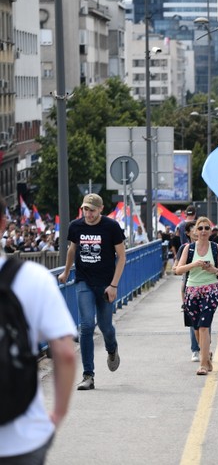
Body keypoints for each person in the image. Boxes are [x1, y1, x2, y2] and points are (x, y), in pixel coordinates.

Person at [0, 204, 77, 464]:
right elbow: (65, 353)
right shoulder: (33, 278)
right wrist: (57, 413)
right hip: (22, 438)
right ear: (3, 225)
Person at [59, 194, 126, 391]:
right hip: (84, 281)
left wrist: (113, 285)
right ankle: (88, 375)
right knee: (86, 325)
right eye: (85, 210)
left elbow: (121, 257)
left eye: (92, 210)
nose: (88, 214)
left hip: (106, 284)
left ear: (101, 209)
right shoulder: (76, 226)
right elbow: (72, 250)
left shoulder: (111, 227)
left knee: (106, 327)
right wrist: (65, 271)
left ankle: (112, 349)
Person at [174, 216, 218, 375]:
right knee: (196, 327)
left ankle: (203, 364)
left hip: (210, 290)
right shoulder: (188, 249)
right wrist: (194, 264)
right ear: (195, 231)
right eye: (201, 228)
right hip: (191, 291)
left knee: (204, 326)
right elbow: (177, 270)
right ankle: (207, 357)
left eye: (207, 228)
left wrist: (213, 270)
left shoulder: (216, 248)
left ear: (211, 231)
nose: (203, 231)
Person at [174, 220, 204, 362]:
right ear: (188, 233)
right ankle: (195, 350)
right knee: (194, 322)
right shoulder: (185, 248)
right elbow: (176, 268)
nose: (197, 232)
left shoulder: (210, 247)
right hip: (189, 287)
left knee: (205, 321)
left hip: (207, 288)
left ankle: (205, 348)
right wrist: (191, 266)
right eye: (195, 229)